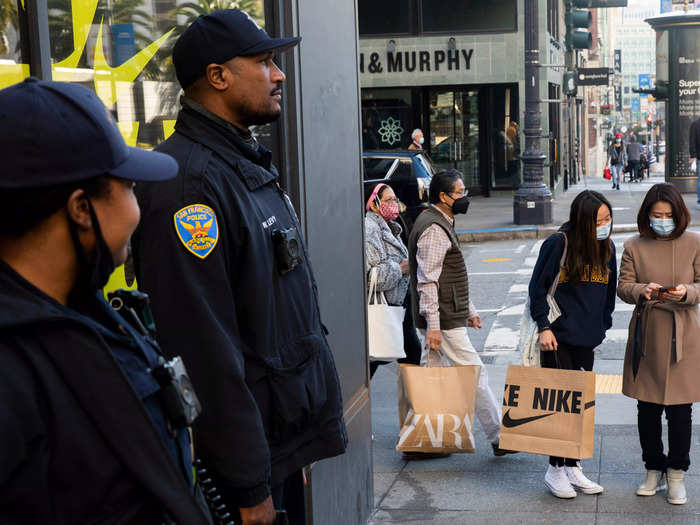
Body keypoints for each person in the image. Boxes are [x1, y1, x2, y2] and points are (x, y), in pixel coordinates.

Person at [131, 10, 347, 525]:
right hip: (245, 478)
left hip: (277, 448)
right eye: (265, 62)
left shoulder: (240, 163)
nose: (280, 75)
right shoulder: (191, 189)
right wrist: (251, 488)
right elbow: (204, 350)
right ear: (218, 76)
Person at [0, 79, 212, 524]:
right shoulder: (15, 372)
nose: (138, 208)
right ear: (81, 208)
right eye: (130, 187)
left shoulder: (84, 310)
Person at [407, 169, 517, 460]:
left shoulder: (441, 220)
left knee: (431, 375)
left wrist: (469, 310)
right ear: (443, 197)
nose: (465, 197)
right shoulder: (433, 228)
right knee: (474, 373)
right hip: (442, 320)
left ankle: (423, 441)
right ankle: (497, 436)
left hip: (444, 315)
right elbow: (428, 280)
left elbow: (448, 276)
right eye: (460, 192)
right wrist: (433, 325)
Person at [529, 190, 616, 499]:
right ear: (582, 220)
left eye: (608, 219)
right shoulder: (559, 244)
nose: (605, 225)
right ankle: (554, 470)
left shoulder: (607, 247)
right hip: (557, 338)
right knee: (560, 405)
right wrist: (544, 326)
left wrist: (602, 326)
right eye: (599, 220)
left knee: (580, 404)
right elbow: (537, 288)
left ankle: (573, 466)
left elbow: (610, 292)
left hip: (586, 339)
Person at [617, 183, 700, 506]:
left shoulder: (694, 243)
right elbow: (623, 287)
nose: (662, 220)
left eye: (668, 215)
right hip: (648, 332)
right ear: (647, 215)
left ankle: (677, 473)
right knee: (647, 407)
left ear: (678, 215)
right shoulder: (634, 245)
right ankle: (653, 467)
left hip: (685, 333)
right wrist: (642, 290)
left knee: (681, 410)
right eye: (656, 215)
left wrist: (687, 293)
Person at [364, 183, 421, 377]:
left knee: (410, 352)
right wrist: (400, 268)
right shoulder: (370, 229)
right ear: (373, 204)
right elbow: (371, 276)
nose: (394, 204)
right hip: (385, 306)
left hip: (399, 305)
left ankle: (413, 403)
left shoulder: (391, 227)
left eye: (395, 199)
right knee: (379, 356)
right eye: (388, 200)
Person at [689, 116, 700, 209]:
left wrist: (693, 155)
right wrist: (693, 156)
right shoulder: (695, 124)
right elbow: (692, 141)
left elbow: (692, 141)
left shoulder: (695, 124)